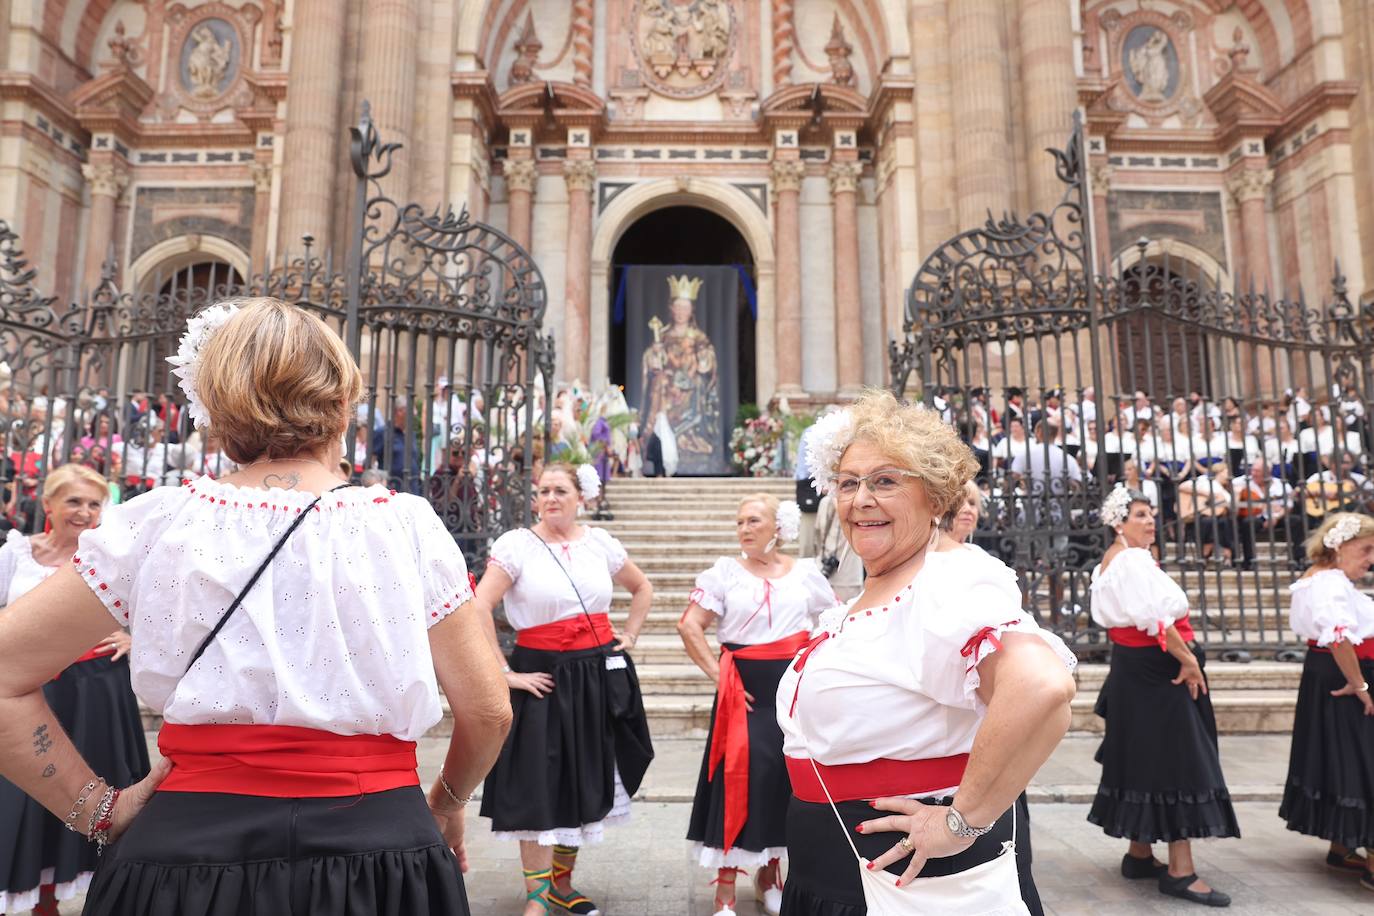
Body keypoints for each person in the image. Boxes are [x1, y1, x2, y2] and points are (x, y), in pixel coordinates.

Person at [0, 298, 513, 916]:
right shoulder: (404, 525)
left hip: (182, 857)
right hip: (378, 848)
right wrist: (446, 803)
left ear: (213, 407)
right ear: (343, 400)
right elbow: (488, 711)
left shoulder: (156, 522)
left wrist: (97, 808)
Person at [777, 390, 1077, 914]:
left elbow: (1043, 688)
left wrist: (960, 821)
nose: (861, 498)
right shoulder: (885, 588)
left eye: (885, 481)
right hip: (836, 867)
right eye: (849, 483)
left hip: (909, 886)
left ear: (936, 497)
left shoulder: (947, 583)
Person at [473, 462, 655, 916]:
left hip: (593, 676)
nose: (551, 498)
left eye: (560, 490)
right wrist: (504, 673)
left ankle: (561, 886)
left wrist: (629, 634)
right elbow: (479, 606)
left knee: (581, 780)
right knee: (538, 784)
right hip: (542, 677)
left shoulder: (599, 543)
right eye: (543, 491)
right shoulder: (517, 546)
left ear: (580, 497)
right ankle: (536, 898)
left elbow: (641, 587)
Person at [678, 496, 836, 916]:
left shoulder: (804, 574)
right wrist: (720, 676)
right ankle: (725, 893)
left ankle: (770, 878)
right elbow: (689, 625)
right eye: (739, 522)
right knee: (737, 782)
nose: (744, 529)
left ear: (777, 527)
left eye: (754, 520)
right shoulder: (723, 574)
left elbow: (832, 623)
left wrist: (813, 667)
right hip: (742, 694)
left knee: (783, 783)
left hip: (789, 696)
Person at [0, 465, 146, 916]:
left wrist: (131, 637)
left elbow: (155, 610)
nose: (84, 513)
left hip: (93, 694)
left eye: (93, 504)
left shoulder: (108, 558)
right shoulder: (16, 553)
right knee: (23, 790)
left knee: (83, 788)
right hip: (27, 690)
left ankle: (57, 899)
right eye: (73, 502)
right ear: (48, 505)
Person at [1088, 488, 1238, 907]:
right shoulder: (1131, 560)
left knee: (1147, 757)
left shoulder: (1113, 561)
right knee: (1180, 761)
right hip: (1158, 671)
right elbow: (1157, 620)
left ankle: (1139, 852)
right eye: (1140, 514)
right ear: (1120, 523)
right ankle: (1180, 870)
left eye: (1152, 514)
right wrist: (1188, 660)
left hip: (1134, 671)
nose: (1151, 521)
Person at [936, 478, 1044, 915]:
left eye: (975, 503)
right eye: (960, 502)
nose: (969, 509)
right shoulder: (929, 565)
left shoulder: (983, 564)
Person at [1279, 512, 1374, 888]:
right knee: (1363, 762)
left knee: (1347, 760)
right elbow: (1338, 637)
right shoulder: (1329, 581)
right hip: (1347, 677)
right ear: (1339, 545)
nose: (1370, 559)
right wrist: (1361, 685)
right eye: (1366, 549)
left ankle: (1342, 847)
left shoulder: (1321, 580)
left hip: (1332, 674)